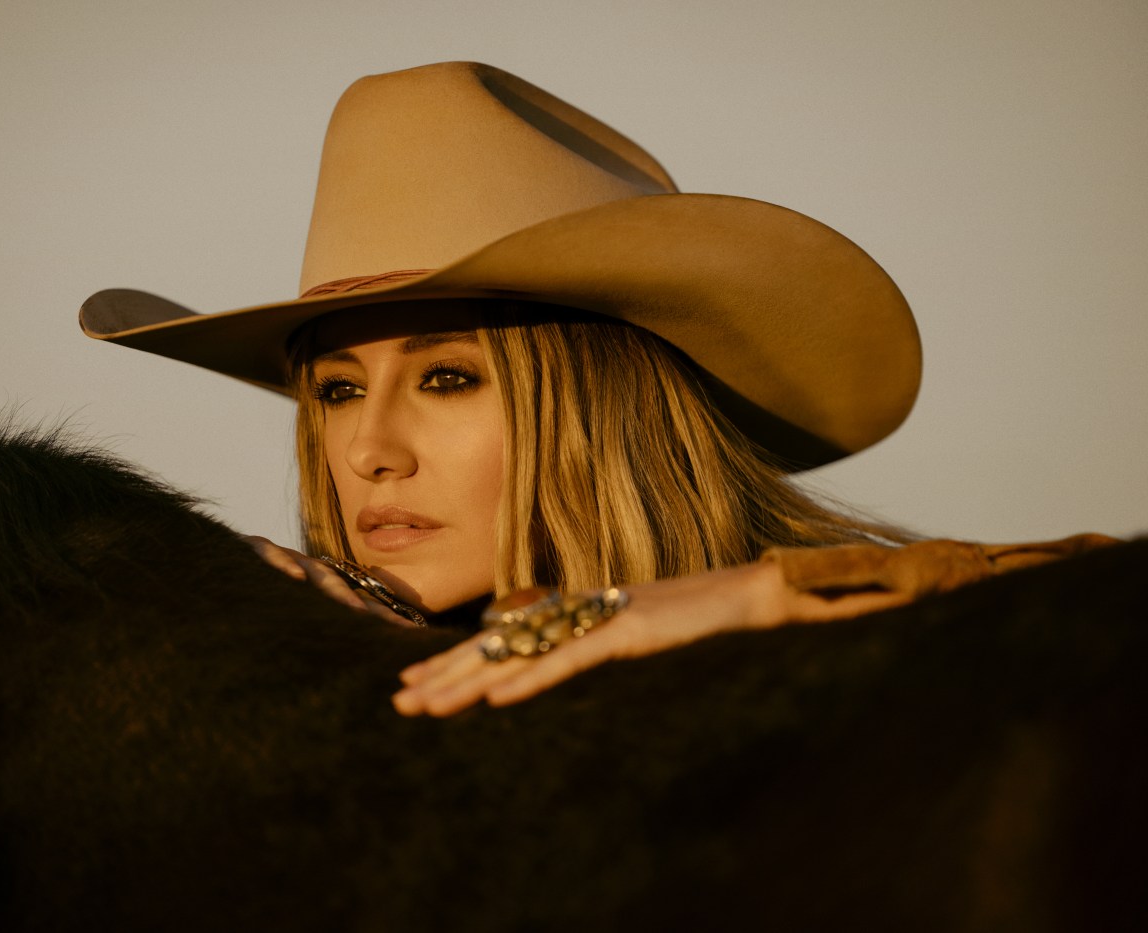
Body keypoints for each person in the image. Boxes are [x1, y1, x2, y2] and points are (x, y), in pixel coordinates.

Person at [80, 62, 1111, 718]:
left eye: (444, 377)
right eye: (337, 393)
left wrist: (760, 594)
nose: (366, 454)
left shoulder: (834, 638)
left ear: (603, 415)